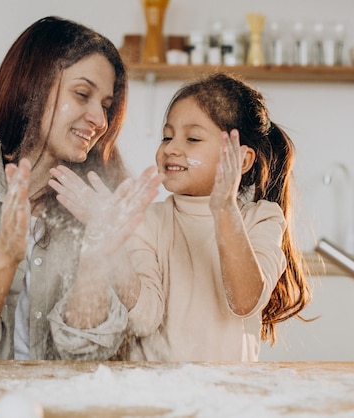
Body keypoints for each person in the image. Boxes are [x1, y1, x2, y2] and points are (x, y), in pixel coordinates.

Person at [0, 16, 162, 360]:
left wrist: (97, 252)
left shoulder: (101, 205)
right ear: (32, 85)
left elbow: (84, 353)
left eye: (106, 106)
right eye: (82, 94)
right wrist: (6, 252)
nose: (100, 121)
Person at [123, 72, 312, 361]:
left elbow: (245, 301)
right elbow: (142, 319)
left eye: (193, 138)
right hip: (155, 392)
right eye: (167, 136)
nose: (171, 148)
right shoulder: (147, 221)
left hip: (229, 394)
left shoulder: (261, 219)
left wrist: (224, 208)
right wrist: (109, 252)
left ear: (242, 160)